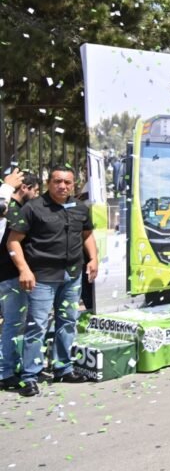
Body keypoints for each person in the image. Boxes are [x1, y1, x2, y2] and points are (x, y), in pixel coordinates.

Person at [5, 166, 97, 396]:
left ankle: (63, 368)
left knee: (67, 322)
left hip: (71, 276)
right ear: (49, 183)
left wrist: (94, 258)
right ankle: (29, 375)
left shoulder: (80, 208)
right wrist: (24, 270)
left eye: (67, 182)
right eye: (57, 181)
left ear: (73, 184)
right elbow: (13, 242)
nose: (62, 186)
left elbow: (87, 235)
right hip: (42, 277)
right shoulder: (33, 208)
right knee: (37, 326)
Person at [0, 173, 40, 393]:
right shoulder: (13, 210)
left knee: (12, 324)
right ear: (25, 187)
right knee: (13, 325)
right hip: (10, 275)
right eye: (34, 190)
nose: (35, 196)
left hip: (7, 275)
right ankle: (5, 373)